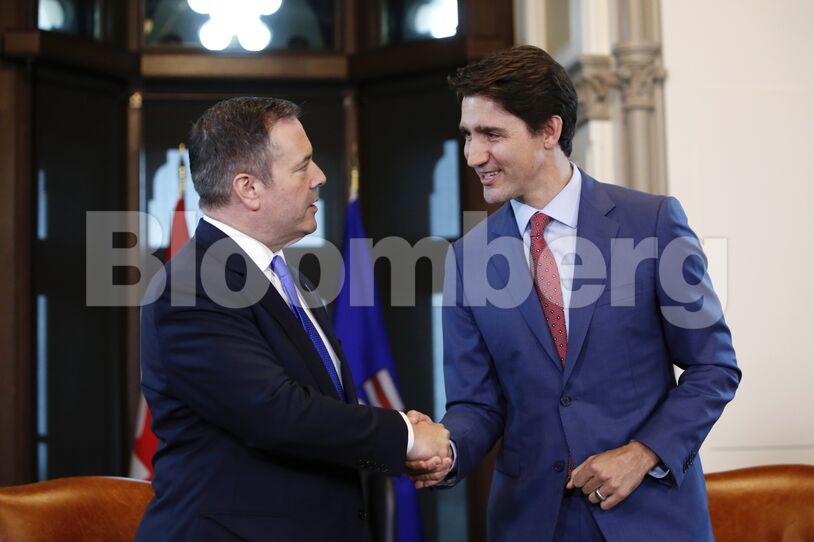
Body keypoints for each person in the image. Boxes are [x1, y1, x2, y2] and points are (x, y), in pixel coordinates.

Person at [407, 46, 740, 541]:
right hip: (533, 523)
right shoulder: (466, 258)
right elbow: (478, 405)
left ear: (549, 131)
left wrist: (643, 453)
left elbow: (713, 367)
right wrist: (447, 450)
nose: (474, 155)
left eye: (491, 134)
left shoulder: (651, 223)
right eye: (468, 135)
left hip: (652, 518)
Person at [136, 97, 450, 541]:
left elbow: (324, 404)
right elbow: (276, 413)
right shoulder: (189, 287)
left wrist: (394, 444)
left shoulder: (286, 276)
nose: (320, 176)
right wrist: (404, 435)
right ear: (248, 188)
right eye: (303, 166)